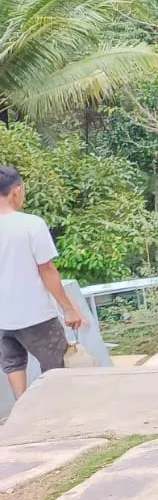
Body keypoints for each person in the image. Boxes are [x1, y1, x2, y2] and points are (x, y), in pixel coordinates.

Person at [0, 166, 86, 400]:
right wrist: (69, 308)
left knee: (13, 363)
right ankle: (57, 409)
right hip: (35, 314)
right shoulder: (31, 224)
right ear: (16, 191)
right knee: (56, 363)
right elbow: (47, 270)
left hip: (3, 319)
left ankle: (22, 410)